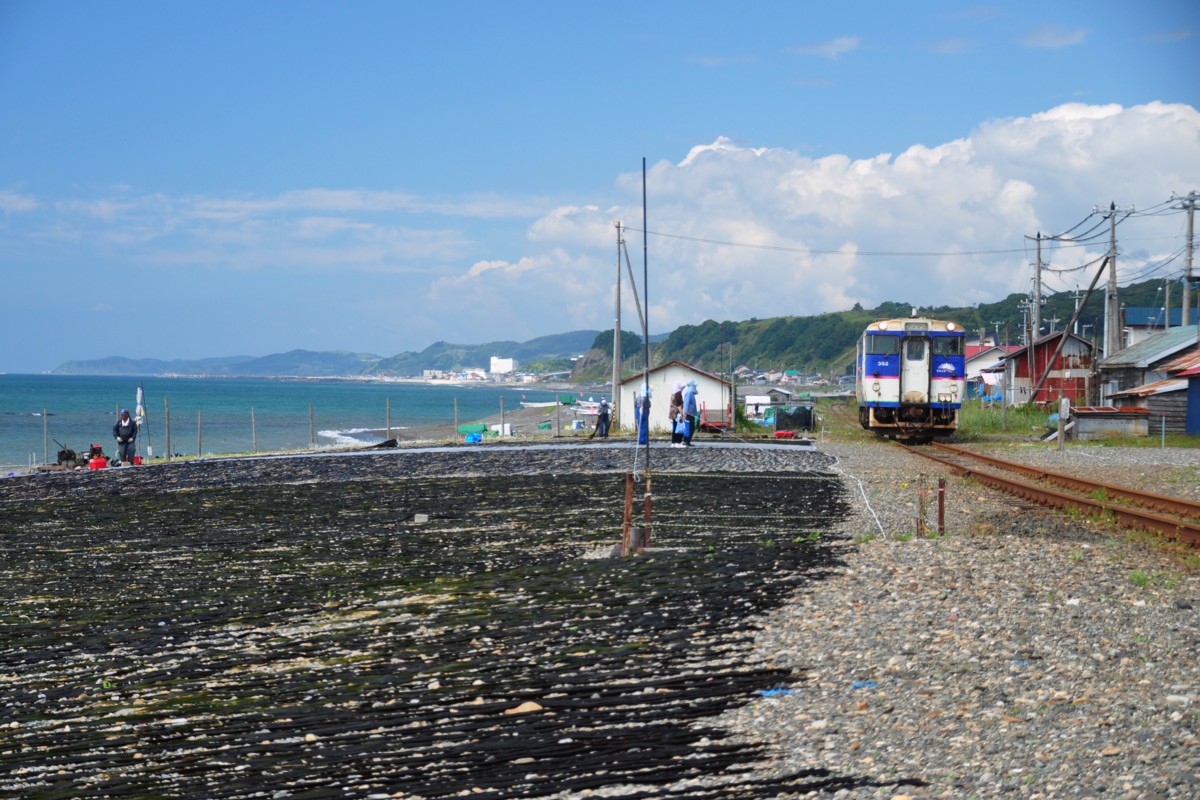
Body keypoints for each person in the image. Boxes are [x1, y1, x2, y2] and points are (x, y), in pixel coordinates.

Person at [681, 380, 699, 447]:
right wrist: (685, 413)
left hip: (691, 414)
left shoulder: (691, 393)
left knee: (691, 428)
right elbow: (686, 403)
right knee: (689, 428)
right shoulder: (688, 393)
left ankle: (687, 441)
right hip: (689, 414)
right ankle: (686, 441)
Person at [669, 381, 685, 446]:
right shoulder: (678, 394)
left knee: (675, 427)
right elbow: (679, 405)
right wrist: (682, 414)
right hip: (677, 413)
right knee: (679, 428)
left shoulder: (673, 393)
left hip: (672, 413)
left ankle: (673, 443)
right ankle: (678, 442)